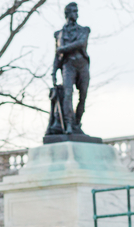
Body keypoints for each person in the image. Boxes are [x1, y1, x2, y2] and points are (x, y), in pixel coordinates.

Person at [52, 2, 90, 134]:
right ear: (67, 14)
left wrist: (63, 49)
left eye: (77, 11)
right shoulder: (59, 34)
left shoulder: (84, 30)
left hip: (82, 65)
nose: (76, 14)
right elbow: (57, 55)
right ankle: (68, 124)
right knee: (67, 94)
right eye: (73, 11)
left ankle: (77, 123)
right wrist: (53, 72)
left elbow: (81, 43)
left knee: (83, 96)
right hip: (68, 65)